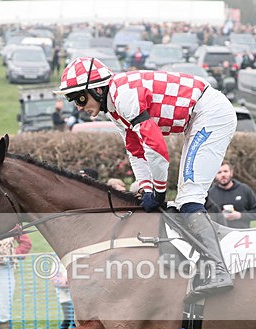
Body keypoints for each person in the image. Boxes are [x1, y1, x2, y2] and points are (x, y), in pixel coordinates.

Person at [54, 56, 238, 298]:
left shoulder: (124, 97)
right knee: (183, 199)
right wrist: (146, 188)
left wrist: (158, 192)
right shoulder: (114, 107)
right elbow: (135, 150)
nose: (78, 107)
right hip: (198, 116)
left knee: (189, 199)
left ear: (97, 89)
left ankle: (219, 269)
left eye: (79, 98)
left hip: (210, 114)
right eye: (72, 100)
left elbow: (156, 150)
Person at [207, 161, 256, 229]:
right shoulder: (210, 194)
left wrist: (240, 215)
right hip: (220, 233)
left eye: (225, 171)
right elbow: (205, 217)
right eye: (219, 172)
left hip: (242, 232)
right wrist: (220, 216)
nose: (223, 175)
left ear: (231, 172)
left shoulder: (244, 189)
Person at [51, 262, 74, 329]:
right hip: (65, 298)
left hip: (75, 296)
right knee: (69, 318)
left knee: (73, 319)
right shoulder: (57, 263)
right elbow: (55, 281)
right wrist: (67, 282)